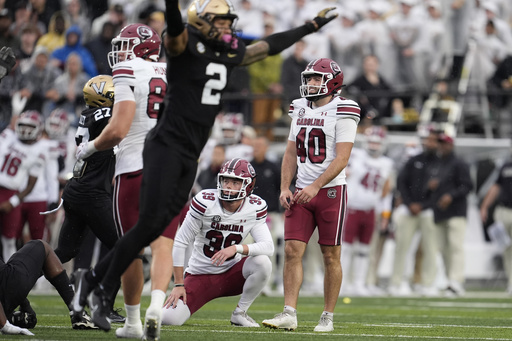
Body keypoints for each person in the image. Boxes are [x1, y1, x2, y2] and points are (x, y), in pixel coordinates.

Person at [73, 1, 338, 339]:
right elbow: (174, 28)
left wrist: (309, 27)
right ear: (202, 21)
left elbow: (266, 48)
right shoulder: (184, 42)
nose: (228, 27)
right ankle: (97, 287)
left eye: (230, 21)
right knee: (152, 226)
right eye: (221, 21)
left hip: (190, 154)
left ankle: (94, 283)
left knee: (157, 228)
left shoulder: (226, 52)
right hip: (164, 146)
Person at [71, 23, 177, 339]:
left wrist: (87, 148)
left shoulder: (128, 69)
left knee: (130, 245)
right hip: (170, 167)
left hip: (134, 165)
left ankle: (132, 322)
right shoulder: (174, 71)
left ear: (139, 48)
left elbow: (118, 130)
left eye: (124, 45)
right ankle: (156, 305)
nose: (119, 52)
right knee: (163, 244)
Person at [262, 57, 360, 332]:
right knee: (292, 250)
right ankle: (288, 313)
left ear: (333, 82)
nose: (311, 83)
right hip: (300, 191)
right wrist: (284, 186)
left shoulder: (344, 108)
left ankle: (327, 316)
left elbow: (342, 157)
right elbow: (291, 151)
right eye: (309, 78)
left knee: (331, 255)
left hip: (330, 192)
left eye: (317, 78)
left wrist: (315, 186)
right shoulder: (299, 107)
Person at [161, 158, 273, 327]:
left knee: (262, 262)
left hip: (231, 274)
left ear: (248, 185)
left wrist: (236, 249)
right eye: (225, 180)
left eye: (235, 182)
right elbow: (180, 242)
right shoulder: (205, 202)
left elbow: (268, 246)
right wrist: (177, 284)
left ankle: (240, 313)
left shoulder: (254, 207)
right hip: (200, 276)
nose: (228, 186)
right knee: (168, 320)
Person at [53, 74, 124, 323]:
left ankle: (17, 277)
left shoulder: (88, 114)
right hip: (92, 193)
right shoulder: (105, 115)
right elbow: (117, 132)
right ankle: (102, 305)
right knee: (123, 248)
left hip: (76, 190)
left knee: (65, 250)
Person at [341, 126, 394, 297]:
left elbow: (386, 191)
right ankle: (342, 283)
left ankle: (359, 283)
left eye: (377, 143)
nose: (373, 146)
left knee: (365, 250)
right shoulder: (354, 155)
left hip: (371, 209)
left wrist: (385, 214)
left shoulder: (387, 163)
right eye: (371, 141)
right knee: (346, 248)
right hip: (352, 208)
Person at [0, 239, 94, 336]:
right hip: (8, 289)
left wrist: (25, 306)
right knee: (41, 246)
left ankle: (11, 317)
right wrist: (5, 325)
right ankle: (78, 313)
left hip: (6, 293)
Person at [388, 129, 440, 296]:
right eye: (427, 140)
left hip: (429, 211)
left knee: (430, 249)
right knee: (402, 247)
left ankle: (428, 283)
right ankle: (397, 282)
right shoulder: (414, 160)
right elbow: (402, 182)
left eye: (433, 140)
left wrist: (423, 205)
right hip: (409, 209)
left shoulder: (441, 163)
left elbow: (441, 189)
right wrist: (410, 203)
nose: (429, 143)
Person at [430, 133, 472, 296]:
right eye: (440, 144)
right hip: (440, 212)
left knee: (455, 247)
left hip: (456, 211)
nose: (442, 147)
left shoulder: (460, 163)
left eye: (445, 144)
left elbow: (467, 186)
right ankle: (448, 280)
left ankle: (456, 281)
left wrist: (451, 196)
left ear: (451, 145)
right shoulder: (437, 164)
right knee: (442, 249)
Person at [0, 111, 45, 261]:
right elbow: (11, 124)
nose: (25, 130)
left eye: (30, 126)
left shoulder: (39, 151)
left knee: (9, 239)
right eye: (23, 125)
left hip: (11, 194)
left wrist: (12, 202)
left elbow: (30, 185)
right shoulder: (8, 137)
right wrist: (16, 111)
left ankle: (11, 276)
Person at [480, 154, 512, 295]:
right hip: (504, 210)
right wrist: (485, 206)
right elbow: (496, 186)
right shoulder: (506, 166)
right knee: (507, 249)